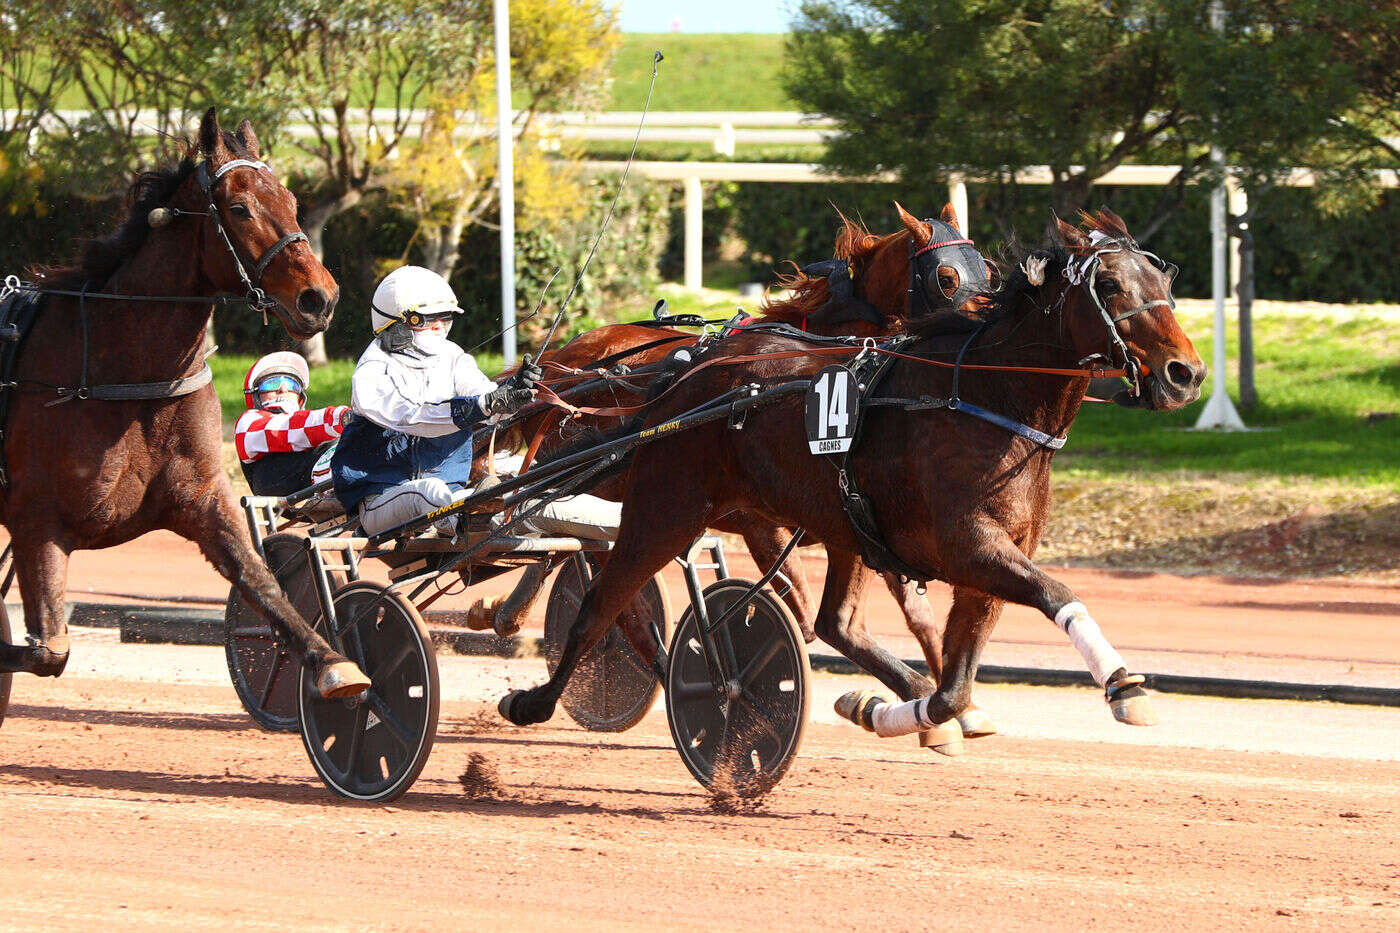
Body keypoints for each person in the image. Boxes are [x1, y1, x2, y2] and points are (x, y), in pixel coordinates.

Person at [234, 352, 350, 497]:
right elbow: (286, 429)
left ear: (300, 397)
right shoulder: (248, 422)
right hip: (279, 486)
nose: (283, 389)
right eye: (271, 383)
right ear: (255, 395)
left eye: (292, 385)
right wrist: (340, 418)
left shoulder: (311, 422)